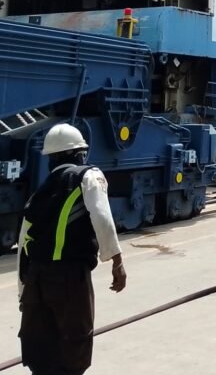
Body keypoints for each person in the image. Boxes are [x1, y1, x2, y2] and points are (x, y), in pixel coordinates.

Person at [18, 124, 127, 375]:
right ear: (80, 154)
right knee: (74, 346)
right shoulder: (87, 176)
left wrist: (24, 292)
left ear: (50, 159)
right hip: (69, 279)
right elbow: (101, 215)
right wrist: (116, 261)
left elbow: (23, 243)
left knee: (41, 350)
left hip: (36, 281)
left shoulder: (39, 194)